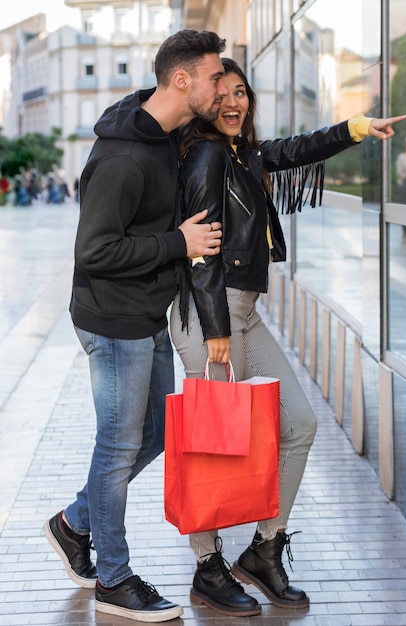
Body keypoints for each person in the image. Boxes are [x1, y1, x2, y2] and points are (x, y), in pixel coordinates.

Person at [170, 57, 406, 617]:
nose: (234, 103)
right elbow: (200, 246)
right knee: (208, 440)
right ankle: (207, 568)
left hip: (242, 312)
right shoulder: (204, 154)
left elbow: (298, 150)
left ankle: (264, 549)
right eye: (222, 93)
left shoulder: (242, 154)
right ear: (204, 101)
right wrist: (217, 329)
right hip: (212, 315)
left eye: (242, 93)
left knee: (298, 424)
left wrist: (355, 128)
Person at [43, 29, 228, 623]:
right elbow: (94, 251)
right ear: (182, 80)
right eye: (213, 76)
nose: (220, 85)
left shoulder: (163, 138)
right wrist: (179, 242)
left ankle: (75, 523)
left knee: (155, 434)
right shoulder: (123, 156)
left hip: (146, 313)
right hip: (114, 318)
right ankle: (113, 580)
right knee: (118, 444)